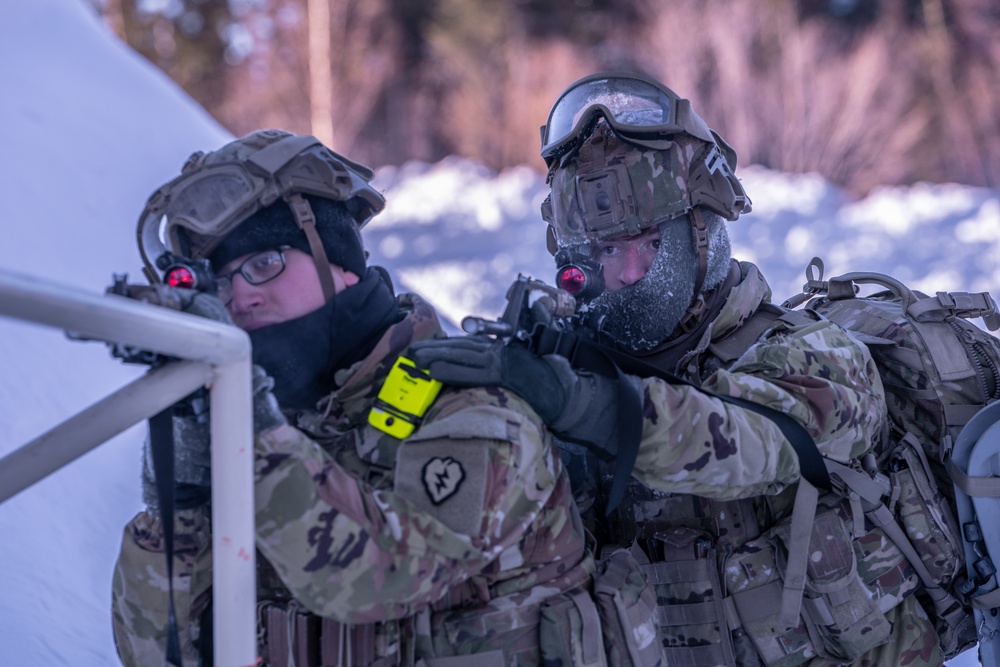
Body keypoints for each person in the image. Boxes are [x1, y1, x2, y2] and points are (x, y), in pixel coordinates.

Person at [410, 73, 947, 666]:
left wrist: (585, 406)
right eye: (606, 251)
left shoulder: (813, 354)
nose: (626, 272)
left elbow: (749, 438)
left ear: (702, 232)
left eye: (645, 240)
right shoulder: (579, 373)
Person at [110, 129, 604, 667]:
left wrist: (251, 428)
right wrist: (178, 501)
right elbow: (159, 654)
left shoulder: (473, 407)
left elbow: (378, 577)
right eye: (222, 284)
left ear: (340, 262)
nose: (242, 296)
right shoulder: (278, 427)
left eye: (263, 263)